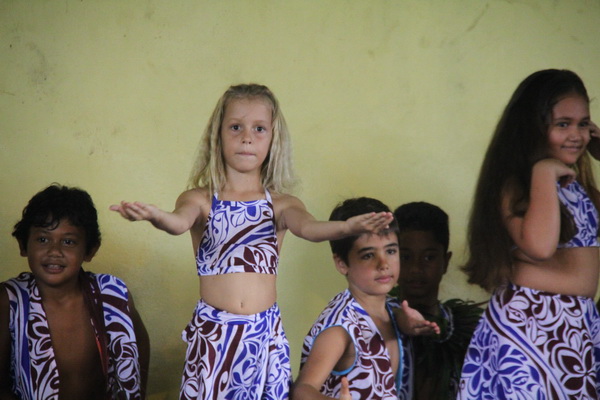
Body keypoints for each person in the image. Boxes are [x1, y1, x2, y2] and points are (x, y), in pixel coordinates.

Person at [110, 84, 394, 400]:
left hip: (264, 337)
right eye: (236, 127)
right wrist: (155, 216)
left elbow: (310, 229)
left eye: (259, 128)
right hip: (213, 337)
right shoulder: (200, 200)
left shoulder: (282, 205)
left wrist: (346, 227)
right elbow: (177, 223)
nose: (247, 137)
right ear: (217, 136)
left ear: (274, 139)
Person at [458, 69, 600, 399]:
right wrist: (542, 173)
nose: (576, 134)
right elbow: (539, 246)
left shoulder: (576, 187)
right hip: (530, 328)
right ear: (532, 129)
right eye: (562, 124)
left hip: (569, 329)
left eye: (583, 123)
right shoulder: (518, 186)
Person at [0, 184, 149, 400]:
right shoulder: (9, 301)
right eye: (43, 239)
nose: (54, 251)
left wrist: (138, 393)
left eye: (68, 242)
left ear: (90, 250)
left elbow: (140, 345)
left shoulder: (112, 294)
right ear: (23, 245)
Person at [294, 197, 439, 400]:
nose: (383, 264)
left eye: (390, 251)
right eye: (368, 255)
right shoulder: (340, 328)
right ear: (342, 263)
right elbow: (302, 390)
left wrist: (403, 321)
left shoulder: (392, 308)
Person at [389, 201, 483, 400]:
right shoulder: (374, 319)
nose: (416, 268)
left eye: (429, 258)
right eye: (405, 257)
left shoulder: (466, 331)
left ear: (446, 261)